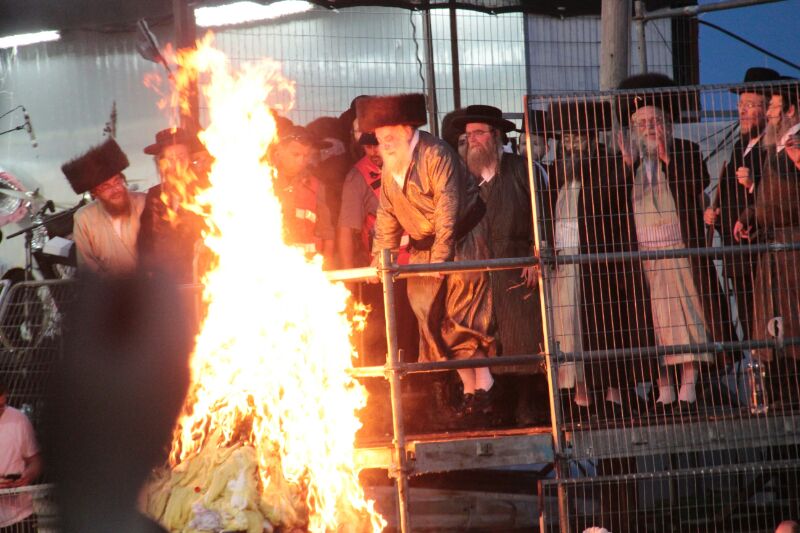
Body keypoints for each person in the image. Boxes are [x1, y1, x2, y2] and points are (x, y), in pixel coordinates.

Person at [357, 93, 496, 421]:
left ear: (407, 131)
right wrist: (380, 256)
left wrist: (441, 258)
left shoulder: (436, 154)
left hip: (463, 242)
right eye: (379, 140)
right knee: (429, 317)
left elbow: (448, 206)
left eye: (389, 138)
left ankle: (485, 390)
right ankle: (467, 389)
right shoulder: (394, 166)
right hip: (424, 248)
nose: (384, 146)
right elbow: (387, 215)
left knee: (466, 317)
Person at [617, 73, 736, 411]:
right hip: (645, 259)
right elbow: (611, 203)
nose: (650, 128)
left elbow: (697, 183)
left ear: (668, 124)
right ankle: (663, 389)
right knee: (654, 326)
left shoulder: (685, 150)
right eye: (642, 123)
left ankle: (689, 387)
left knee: (689, 322)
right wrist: (627, 168)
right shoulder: (630, 161)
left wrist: (670, 160)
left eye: (656, 121)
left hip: (680, 254)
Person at [544, 98, 650, 420]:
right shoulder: (554, 171)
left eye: (579, 137)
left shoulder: (607, 164)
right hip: (564, 260)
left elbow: (613, 200)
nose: (572, 144)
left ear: (592, 138)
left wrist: (626, 165)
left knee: (600, 326)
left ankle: (610, 394)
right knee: (566, 326)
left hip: (597, 260)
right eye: (567, 138)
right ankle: (579, 396)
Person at [451, 104, 546, 425]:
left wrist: (537, 255)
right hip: (477, 269)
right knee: (483, 337)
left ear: (496, 136)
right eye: (468, 135)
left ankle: (527, 403)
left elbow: (542, 214)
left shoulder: (522, 169)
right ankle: (493, 404)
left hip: (517, 264)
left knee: (522, 335)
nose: (473, 140)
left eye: (479, 133)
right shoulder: (464, 177)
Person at [735, 80, 800, 406]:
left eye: (774, 108)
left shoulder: (796, 143)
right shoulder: (777, 144)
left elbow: (789, 199)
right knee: (773, 326)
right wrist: (750, 215)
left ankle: (791, 396)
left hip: (792, 250)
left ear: (790, 110)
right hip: (774, 249)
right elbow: (768, 197)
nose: (771, 115)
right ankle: (779, 394)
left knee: (792, 324)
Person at [705, 67, 780, 339]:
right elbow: (727, 194)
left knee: (770, 317)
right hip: (736, 251)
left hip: (762, 251)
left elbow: (779, 196)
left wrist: (752, 186)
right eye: (741, 104)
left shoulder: (773, 148)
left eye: (752, 105)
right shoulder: (739, 146)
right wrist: (716, 214)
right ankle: (755, 370)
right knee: (748, 319)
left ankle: (775, 374)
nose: (744, 111)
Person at [64, 138, 147, 276]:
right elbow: (87, 264)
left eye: (117, 182)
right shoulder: (84, 218)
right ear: (95, 193)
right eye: (106, 187)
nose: (115, 190)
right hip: (110, 292)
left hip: (150, 286)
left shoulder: (143, 203)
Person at [138, 127, 207, 283]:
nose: (177, 162)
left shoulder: (207, 191)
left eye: (181, 155)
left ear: (189, 158)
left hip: (202, 282)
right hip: (167, 286)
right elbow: (145, 242)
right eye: (171, 157)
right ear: (162, 162)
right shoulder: (154, 195)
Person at [272, 125, 336, 267]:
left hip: (307, 269)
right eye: (295, 154)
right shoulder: (262, 181)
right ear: (279, 152)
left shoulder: (316, 186)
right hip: (271, 268)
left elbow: (327, 232)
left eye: (306, 155)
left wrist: (328, 264)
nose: (302, 160)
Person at [0, 382, 43, 533]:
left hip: (19, 516)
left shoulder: (19, 420)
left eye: (2, 405)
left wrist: (27, 475)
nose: (1, 410)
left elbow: (35, 460)